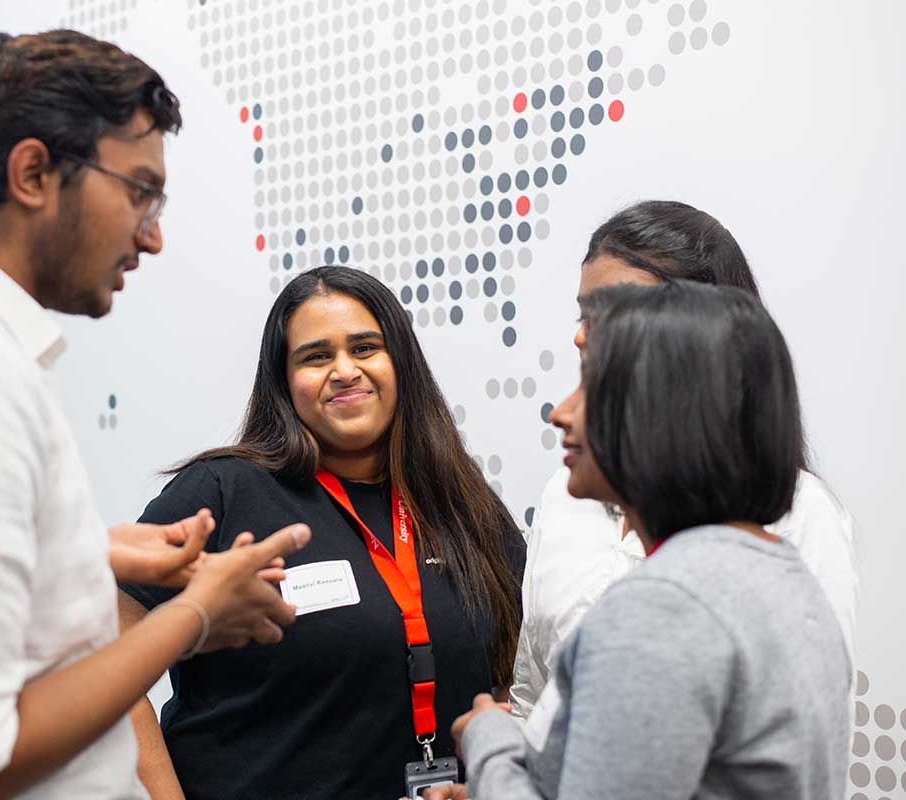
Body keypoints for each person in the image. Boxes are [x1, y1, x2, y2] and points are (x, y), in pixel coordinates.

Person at [0, 30, 310, 800]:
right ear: (34, 173)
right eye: (139, 191)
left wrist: (82, 552)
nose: (155, 235)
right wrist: (196, 616)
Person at [120, 266, 527, 800]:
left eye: (365, 348)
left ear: (400, 363)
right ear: (284, 382)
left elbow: (511, 677)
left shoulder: (463, 505)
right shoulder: (225, 491)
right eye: (316, 356)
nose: (344, 371)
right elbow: (100, 634)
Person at [436, 281, 851, 799]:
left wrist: (488, 741)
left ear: (663, 409)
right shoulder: (779, 575)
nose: (560, 413)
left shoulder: (662, 609)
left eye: (589, 388)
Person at [508, 201, 857, 718]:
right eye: (585, 312)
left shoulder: (799, 515)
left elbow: (807, 735)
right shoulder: (565, 496)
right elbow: (533, 702)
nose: (583, 335)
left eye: (618, 313)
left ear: (702, 331)